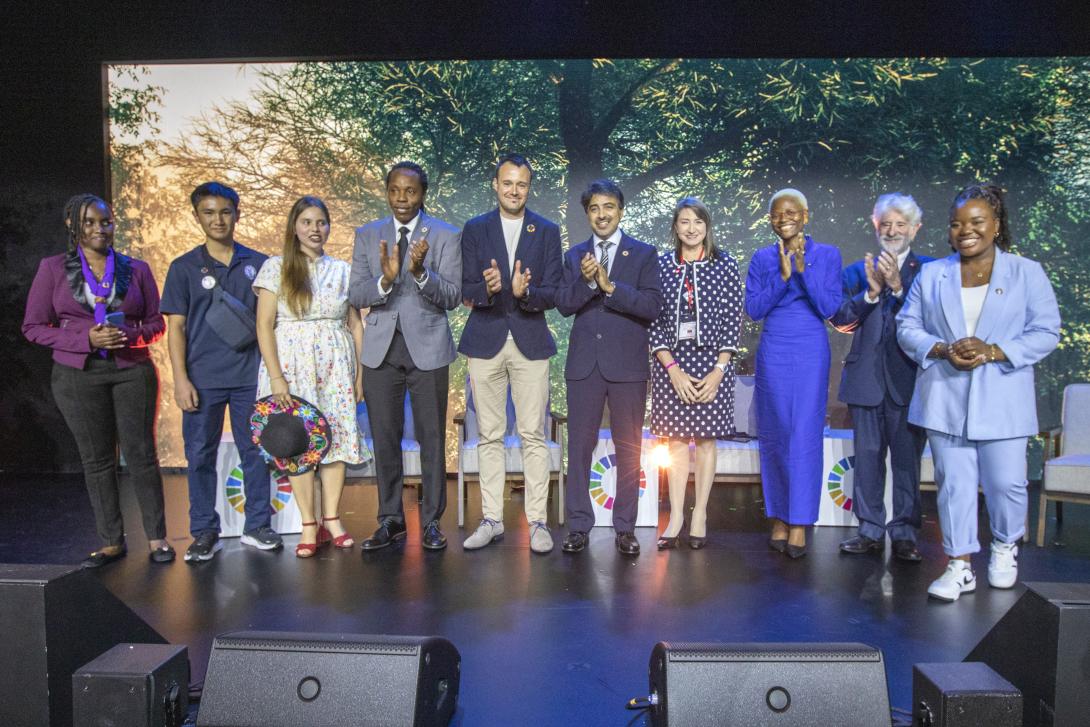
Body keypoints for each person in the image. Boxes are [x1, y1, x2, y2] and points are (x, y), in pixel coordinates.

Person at [897, 184, 1059, 602]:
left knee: (1006, 483)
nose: (965, 230)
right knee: (954, 484)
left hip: (1003, 398)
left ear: (996, 225)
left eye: (976, 221)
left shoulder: (1027, 272)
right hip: (944, 397)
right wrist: (940, 349)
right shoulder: (933, 274)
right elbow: (907, 327)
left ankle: (1005, 548)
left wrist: (995, 351)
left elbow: (1046, 332)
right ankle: (960, 565)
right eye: (956, 224)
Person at [23, 194, 173, 567]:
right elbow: (33, 327)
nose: (99, 229)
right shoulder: (53, 268)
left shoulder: (134, 268)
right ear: (72, 226)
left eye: (105, 222)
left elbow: (157, 322)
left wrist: (134, 336)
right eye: (89, 222)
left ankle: (157, 539)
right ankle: (111, 542)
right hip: (78, 375)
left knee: (142, 456)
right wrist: (84, 339)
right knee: (98, 459)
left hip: (131, 371)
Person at [161, 182, 282, 562]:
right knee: (199, 455)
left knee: (256, 453)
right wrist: (181, 379)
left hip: (250, 377)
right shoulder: (183, 268)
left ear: (237, 215)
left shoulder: (259, 263)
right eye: (209, 213)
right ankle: (203, 531)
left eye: (225, 212)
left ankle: (258, 525)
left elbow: (271, 323)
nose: (218, 219)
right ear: (197, 216)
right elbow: (176, 329)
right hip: (202, 379)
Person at [348, 161, 462, 551]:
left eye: (410, 191)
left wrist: (418, 272)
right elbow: (357, 296)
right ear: (387, 191)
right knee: (384, 438)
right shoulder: (368, 235)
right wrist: (385, 279)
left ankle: (431, 521)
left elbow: (452, 298)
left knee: (431, 438)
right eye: (395, 190)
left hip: (428, 348)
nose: (402, 198)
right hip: (380, 350)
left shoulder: (446, 235)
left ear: (422, 194)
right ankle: (391, 519)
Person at [458, 154, 564, 554]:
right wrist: (488, 288)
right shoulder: (475, 228)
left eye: (521, 184)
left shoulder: (548, 231)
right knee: (488, 435)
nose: (514, 190)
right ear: (495, 184)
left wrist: (526, 294)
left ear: (528, 187)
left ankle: (537, 522)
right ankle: (491, 520)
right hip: (484, 340)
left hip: (530, 341)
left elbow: (553, 290)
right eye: (507, 183)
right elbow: (464, 289)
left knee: (533, 434)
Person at [254, 196, 367, 557]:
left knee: (334, 442)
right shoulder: (276, 267)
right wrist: (276, 378)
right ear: (294, 226)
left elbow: (355, 324)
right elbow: (263, 325)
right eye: (307, 222)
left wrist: (360, 375)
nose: (315, 229)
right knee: (297, 445)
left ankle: (332, 518)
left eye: (321, 222)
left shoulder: (342, 270)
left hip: (336, 367)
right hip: (291, 367)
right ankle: (308, 524)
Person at [555, 179, 663, 556]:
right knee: (580, 448)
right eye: (595, 209)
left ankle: (625, 527)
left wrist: (610, 285)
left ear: (620, 210)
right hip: (584, 367)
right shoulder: (574, 256)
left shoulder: (644, 254)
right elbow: (564, 305)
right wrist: (587, 283)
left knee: (629, 449)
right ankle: (579, 526)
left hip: (628, 367)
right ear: (588, 214)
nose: (602, 215)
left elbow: (652, 307)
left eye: (609, 207)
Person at [831, 193, 934, 562]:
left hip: (909, 382)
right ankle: (870, 529)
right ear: (876, 227)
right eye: (886, 224)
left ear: (915, 229)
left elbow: (934, 322)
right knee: (868, 460)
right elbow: (840, 320)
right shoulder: (856, 272)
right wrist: (872, 294)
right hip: (866, 381)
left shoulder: (930, 271)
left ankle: (904, 533)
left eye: (900, 224)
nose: (892, 231)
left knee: (907, 462)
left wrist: (898, 289)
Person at [744, 188, 842, 558]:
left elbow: (830, 306)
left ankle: (800, 521)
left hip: (809, 348)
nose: (782, 218)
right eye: (775, 213)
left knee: (803, 433)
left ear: (805, 215)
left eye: (790, 212)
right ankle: (779, 517)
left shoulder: (827, 255)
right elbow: (754, 309)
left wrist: (803, 271)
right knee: (775, 434)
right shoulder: (762, 257)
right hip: (774, 350)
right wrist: (782, 277)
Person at [649, 198, 742, 550]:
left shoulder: (726, 264)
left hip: (713, 365)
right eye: (685, 222)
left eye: (698, 222)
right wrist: (672, 369)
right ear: (675, 227)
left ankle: (700, 513)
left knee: (705, 441)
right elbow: (652, 322)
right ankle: (675, 516)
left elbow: (734, 321)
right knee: (674, 442)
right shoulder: (660, 266)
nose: (691, 228)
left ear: (707, 226)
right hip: (670, 366)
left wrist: (719, 370)